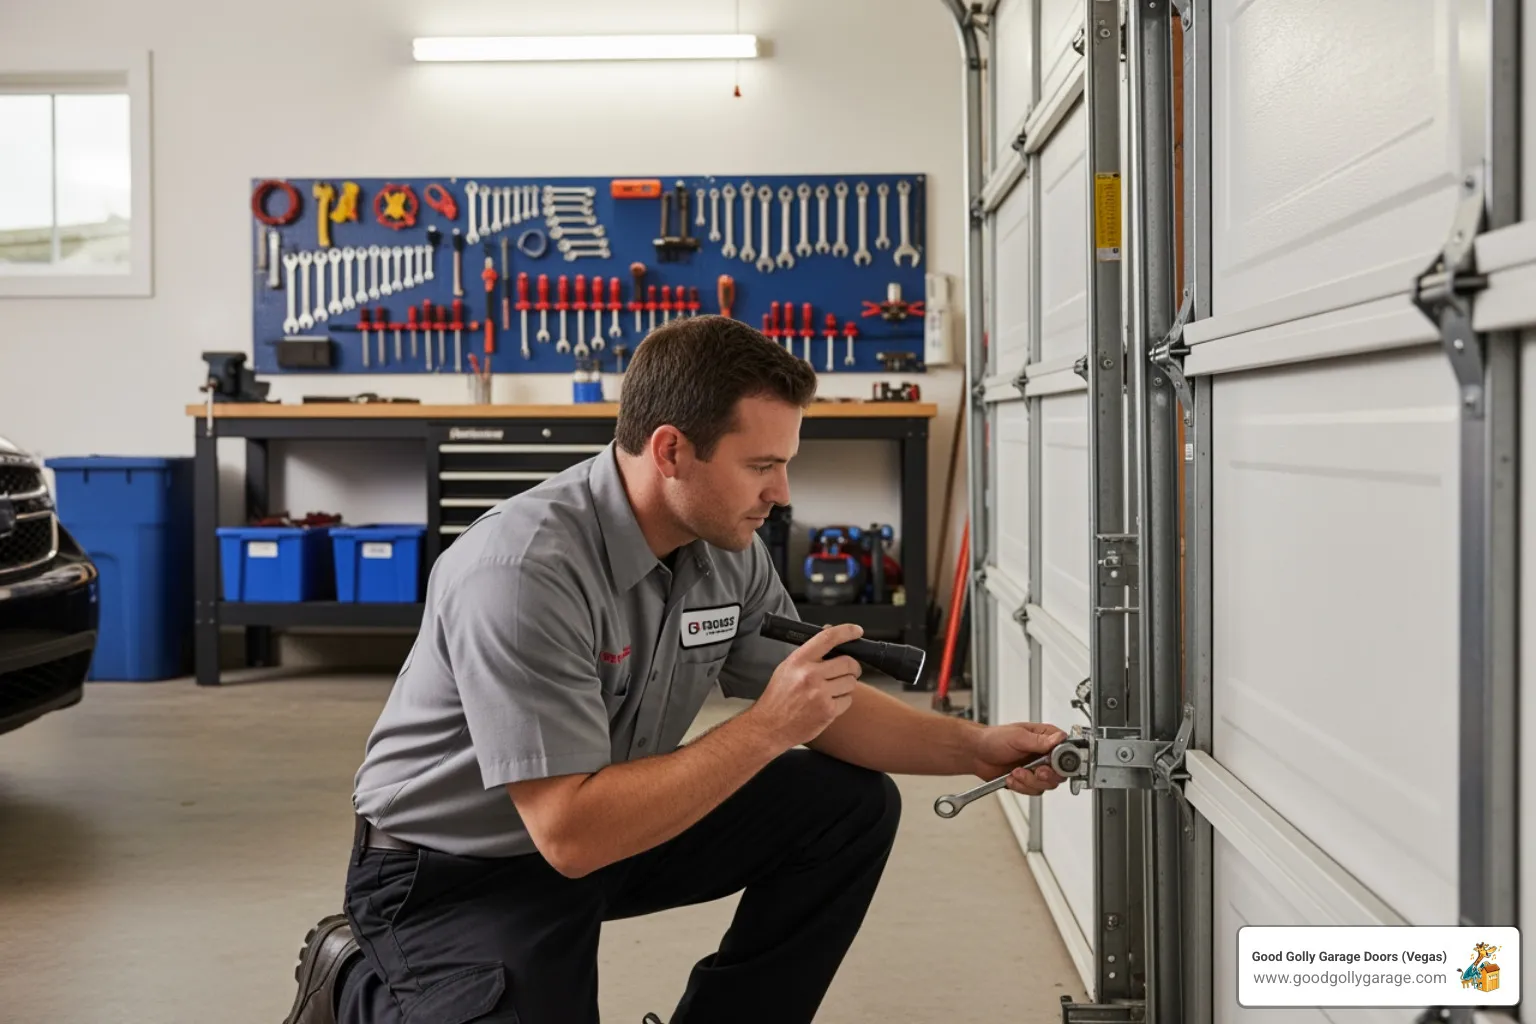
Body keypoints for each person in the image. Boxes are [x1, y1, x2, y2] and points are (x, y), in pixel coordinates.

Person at [281, 315, 1067, 1024]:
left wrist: (976, 747)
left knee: (846, 807)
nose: (782, 492)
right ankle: (358, 981)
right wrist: (764, 732)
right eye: (762, 463)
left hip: (607, 825)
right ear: (670, 451)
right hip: (452, 872)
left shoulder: (728, 550)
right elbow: (571, 833)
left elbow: (824, 704)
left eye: (786, 462)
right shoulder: (522, 572)